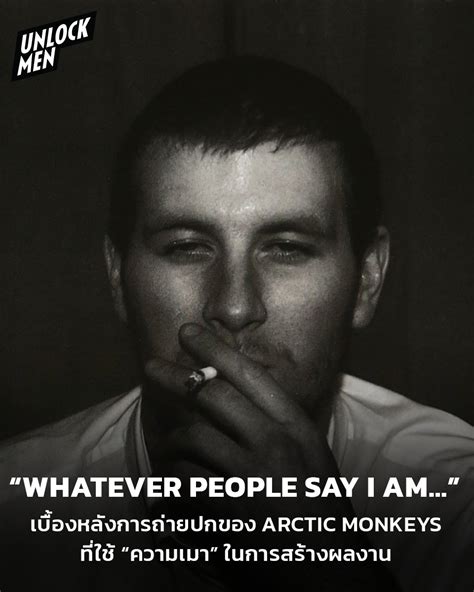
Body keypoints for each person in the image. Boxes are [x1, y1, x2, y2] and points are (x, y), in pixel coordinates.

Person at [0, 56, 472, 592]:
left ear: (367, 280)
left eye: (287, 248)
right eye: (186, 247)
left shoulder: (455, 503)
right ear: (117, 278)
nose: (234, 307)